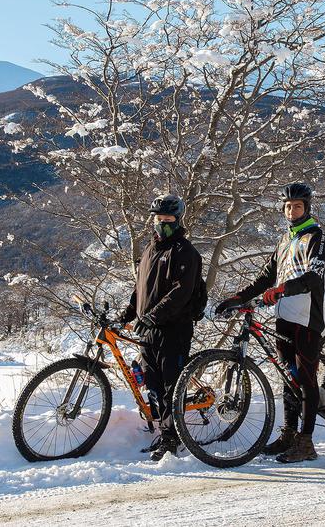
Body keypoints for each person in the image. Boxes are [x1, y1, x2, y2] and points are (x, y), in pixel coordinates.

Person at [215, 183, 325, 464]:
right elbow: (267, 277)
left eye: (298, 206)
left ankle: (306, 442)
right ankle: (289, 433)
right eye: (288, 207)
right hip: (285, 317)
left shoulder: (317, 238)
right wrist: (238, 297)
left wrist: (282, 290)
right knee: (287, 377)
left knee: (304, 379)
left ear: (308, 208)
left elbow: (313, 278)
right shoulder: (284, 241)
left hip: (308, 317)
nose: (292, 211)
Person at [118, 194, 203, 461]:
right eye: (158, 219)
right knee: (154, 385)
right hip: (148, 330)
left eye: (168, 220)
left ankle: (172, 439)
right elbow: (141, 289)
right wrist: (128, 314)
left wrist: (152, 317)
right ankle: (164, 433)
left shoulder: (185, 252)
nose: (162, 224)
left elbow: (181, 292)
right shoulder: (150, 250)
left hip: (173, 329)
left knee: (171, 386)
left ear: (178, 221)